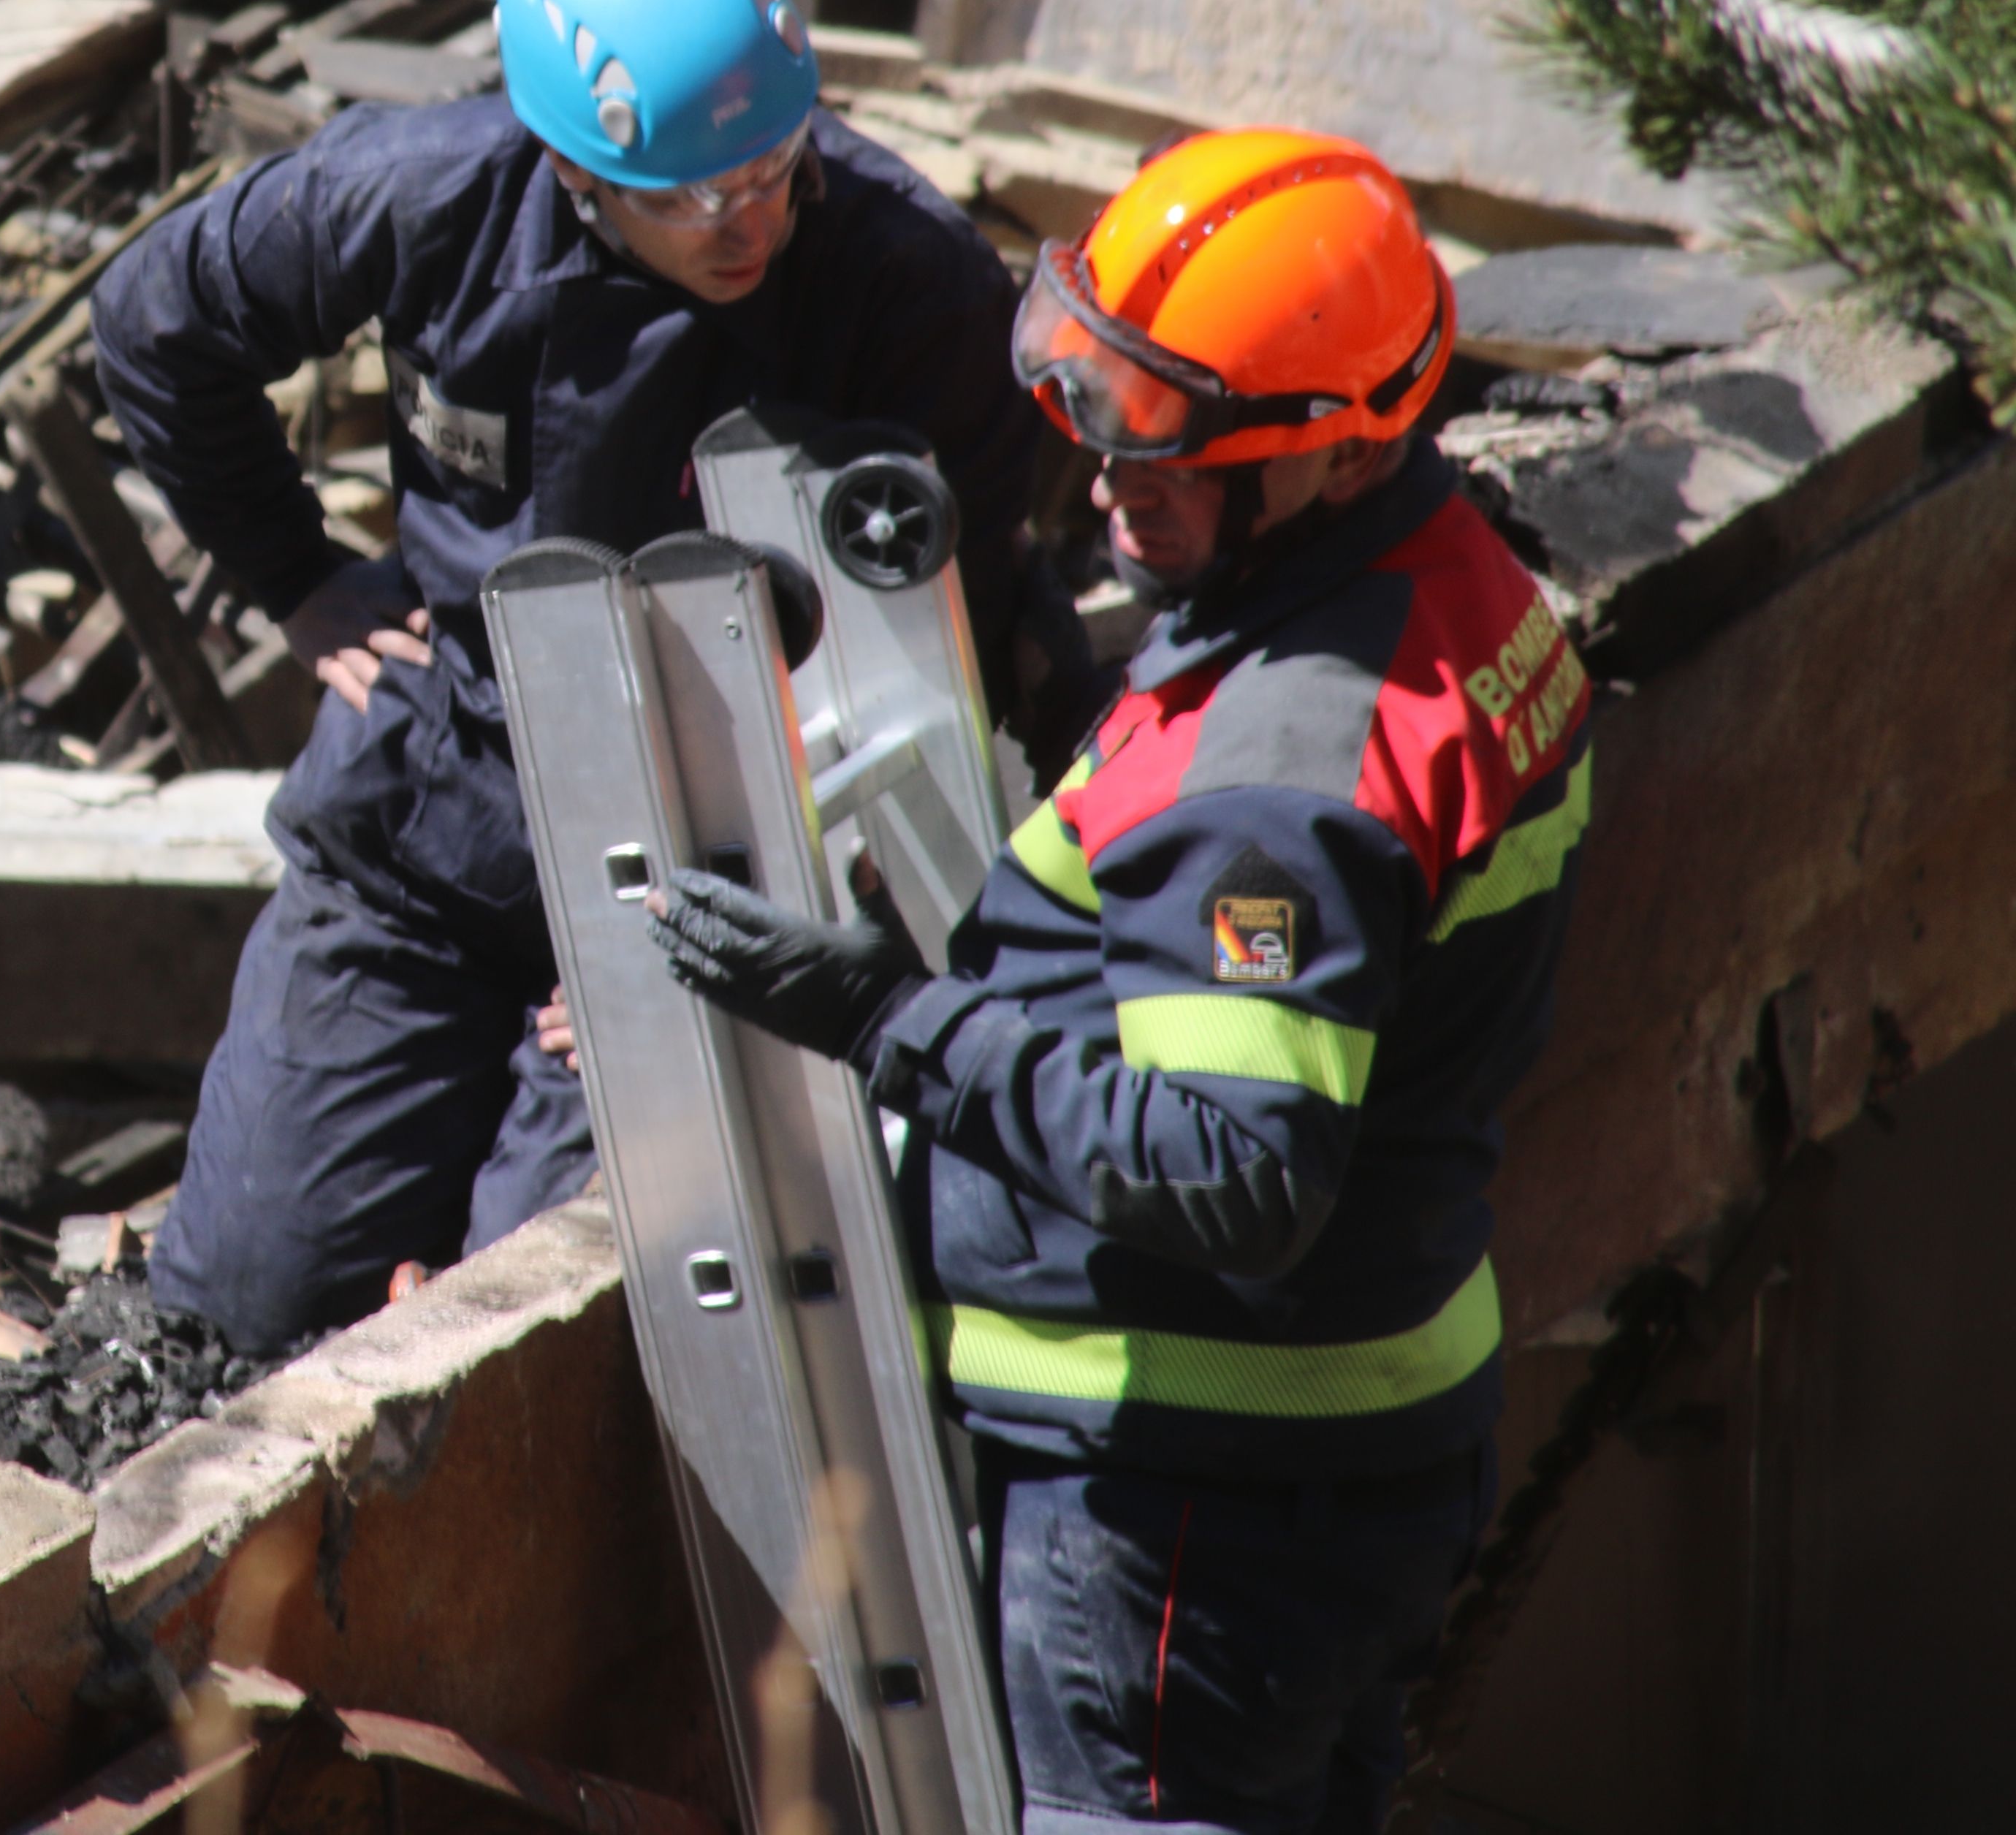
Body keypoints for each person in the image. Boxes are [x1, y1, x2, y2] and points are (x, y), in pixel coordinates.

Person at [646, 126, 1593, 1835]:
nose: (1097, 478)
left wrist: (889, 1019)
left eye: (1155, 437)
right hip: (1357, 1458)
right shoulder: (1457, 590)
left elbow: (1236, 1172)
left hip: (1193, 1516)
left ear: (1328, 453)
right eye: (1084, 398)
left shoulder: (1274, 782)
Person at [91, 0, 1070, 1360]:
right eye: (689, 196)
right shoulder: (422, 196)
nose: (748, 226)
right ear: (573, 166)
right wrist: (297, 575)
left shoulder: (909, 285)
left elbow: (948, 665)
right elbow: (159, 321)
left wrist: (735, 919)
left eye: (769, 172)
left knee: (535, 1329)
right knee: (246, 1310)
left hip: (727, 835)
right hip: (442, 802)